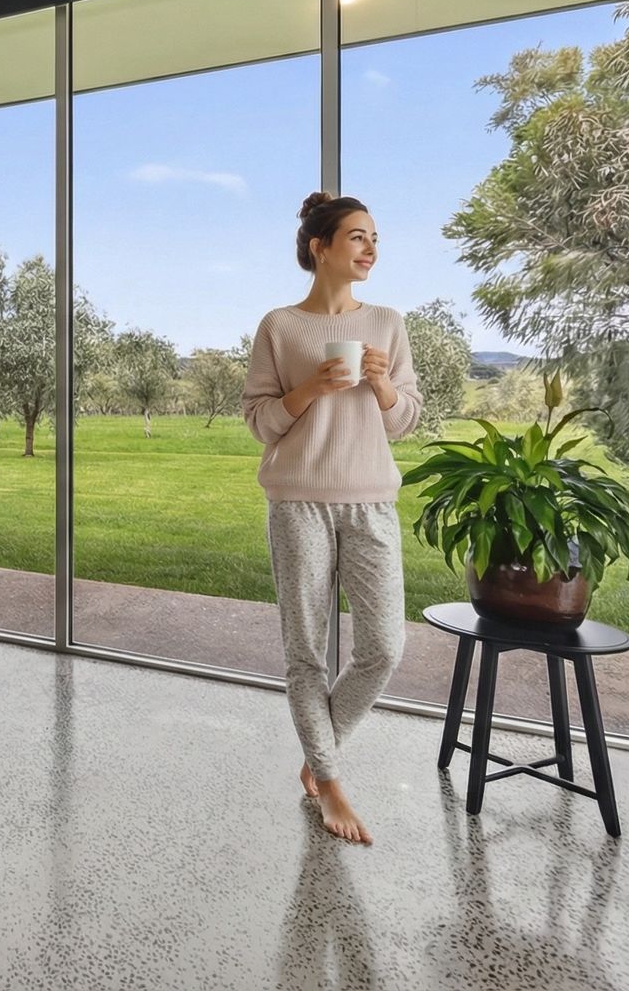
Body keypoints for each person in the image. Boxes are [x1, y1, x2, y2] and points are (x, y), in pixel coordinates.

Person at [242, 192, 422, 845]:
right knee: (306, 653)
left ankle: (321, 758)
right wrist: (310, 389)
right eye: (356, 237)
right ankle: (331, 782)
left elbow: (403, 422)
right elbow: (260, 420)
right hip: (298, 504)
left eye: (375, 237)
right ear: (320, 247)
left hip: (372, 501)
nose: (370, 248)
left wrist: (383, 388)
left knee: (383, 647)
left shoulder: (389, 323)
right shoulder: (280, 326)